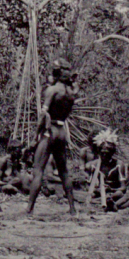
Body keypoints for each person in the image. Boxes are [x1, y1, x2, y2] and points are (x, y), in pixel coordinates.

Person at [26, 59, 78, 216]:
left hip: (50, 130)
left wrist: (36, 135)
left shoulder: (53, 90)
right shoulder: (71, 93)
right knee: (64, 172)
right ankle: (72, 209)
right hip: (62, 131)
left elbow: (43, 115)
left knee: (38, 170)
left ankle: (29, 209)